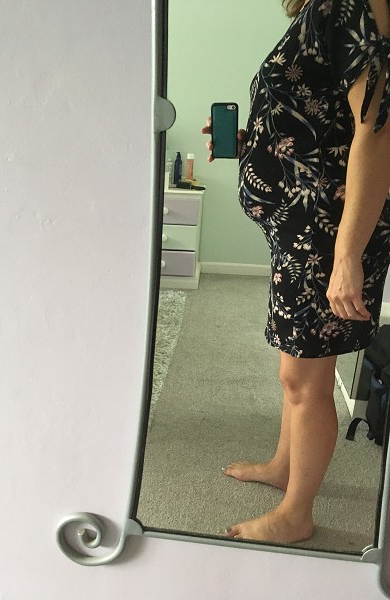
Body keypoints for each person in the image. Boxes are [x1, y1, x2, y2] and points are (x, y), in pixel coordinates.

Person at [202, 0, 390, 544]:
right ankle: (286, 468)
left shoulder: (356, 3)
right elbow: (319, 121)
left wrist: (347, 254)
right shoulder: (323, 9)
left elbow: (378, 131)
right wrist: (255, 142)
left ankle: (296, 514)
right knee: (297, 373)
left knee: (305, 379)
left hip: (326, 233)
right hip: (301, 227)